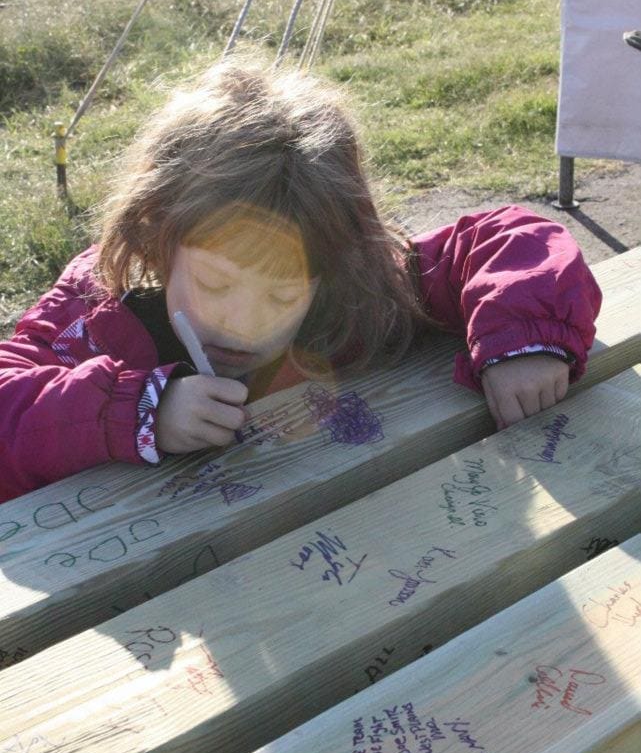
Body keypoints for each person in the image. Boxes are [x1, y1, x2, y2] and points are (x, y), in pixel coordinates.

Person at [0, 57, 601, 503]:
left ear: (333, 266)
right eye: (214, 282)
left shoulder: (356, 292)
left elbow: (508, 237)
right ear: (158, 233)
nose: (241, 320)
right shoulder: (95, 312)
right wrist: (136, 411)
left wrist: (525, 340)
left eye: (282, 294)